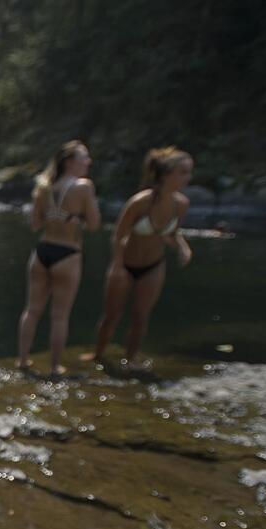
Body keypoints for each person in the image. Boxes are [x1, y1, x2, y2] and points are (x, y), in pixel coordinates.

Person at [82, 147, 194, 366]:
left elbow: (170, 234)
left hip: (154, 265)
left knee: (141, 316)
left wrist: (182, 247)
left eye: (189, 172)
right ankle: (98, 355)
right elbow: (118, 235)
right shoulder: (140, 202)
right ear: (165, 174)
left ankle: (130, 360)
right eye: (183, 172)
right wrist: (117, 265)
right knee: (111, 315)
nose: (188, 178)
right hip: (124, 264)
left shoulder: (181, 204)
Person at [18, 140, 102, 375]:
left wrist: (53, 216)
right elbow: (95, 225)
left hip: (42, 251)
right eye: (84, 157)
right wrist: (79, 218)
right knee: (59, 316)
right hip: (68, 253)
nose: (89, 162)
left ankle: (23, 360)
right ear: (69, 162)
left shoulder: (43, 186)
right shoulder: (84, 186)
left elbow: (35, 224)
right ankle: (55, 367)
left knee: (31, 310)